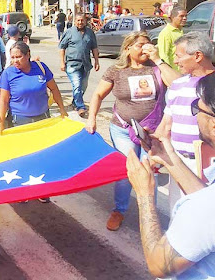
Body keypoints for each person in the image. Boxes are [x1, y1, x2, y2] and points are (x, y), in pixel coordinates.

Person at [85, 31, 180, 231]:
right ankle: (119, 210)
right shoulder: (116, 70)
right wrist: (92, 118)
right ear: (127, 49)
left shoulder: (156, 67)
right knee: (126, 172)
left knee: (150, 173)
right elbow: (98, 94)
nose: (145, 48)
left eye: (148, 44)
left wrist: (158, 58)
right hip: (122, 129)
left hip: (151, 133)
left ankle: (149, 215)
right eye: (140, 45)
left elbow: (178, 86)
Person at [126, 72, 215, 279]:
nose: (195, 115)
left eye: (196, 108)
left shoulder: (206, 208)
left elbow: (159, 264)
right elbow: (205, 200)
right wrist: (169, 159)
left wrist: (144, 194)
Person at [154, 31, 215, 210]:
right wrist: (155, 150)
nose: (176, 61)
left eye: (179, 56)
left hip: (208, 165)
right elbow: (166, 124)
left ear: (197, 56)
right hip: (180, 162)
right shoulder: (177, 85)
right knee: (179, 212)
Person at [0, 41, 67, 133]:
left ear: (27, 55)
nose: (15, 61)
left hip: (43, 118)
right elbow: (3, 100)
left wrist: (62, 109)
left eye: (18, 57)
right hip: (19, 121)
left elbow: (54, 89)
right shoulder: (8, 73)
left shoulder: (41, 68)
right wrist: (0, 122)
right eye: (12, 57)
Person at [59, 14, 100, 117]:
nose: (80, 22)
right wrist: (62, 62)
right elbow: (62, 48)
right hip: (72, 63)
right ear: (74, 21)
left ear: (85, 21)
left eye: (82, 20)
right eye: (78, 20)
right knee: (77, 85)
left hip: (86, 64)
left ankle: (75, 102)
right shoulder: (69, 32)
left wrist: (96, 61)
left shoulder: (90, 33)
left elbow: (94, 48)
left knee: (83, 86)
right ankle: (80, 107)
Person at [157, 6, 187, 71]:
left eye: (185, 16)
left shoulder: (181, 31)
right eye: (181, 16)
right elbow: (164, 56)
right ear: (173, 17)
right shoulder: (166, 33)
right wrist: (169, 72)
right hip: (173, 72)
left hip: (182, 71)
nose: (184, 18)